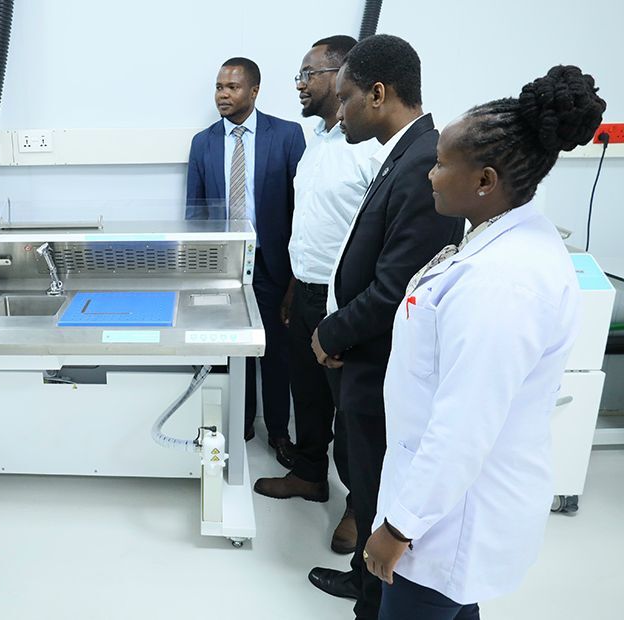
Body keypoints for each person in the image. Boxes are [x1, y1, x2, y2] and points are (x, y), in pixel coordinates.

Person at [364, 65, 604, 620]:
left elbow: (463, 425)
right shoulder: (500, 242)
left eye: (443, 163)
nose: (431, 174)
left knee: (430, 602)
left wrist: (399, 527)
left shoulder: (502, 283)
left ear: (485, 181)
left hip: (443, 522)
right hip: (441, 503)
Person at [305, 35, 464, 620]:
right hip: (366, 354)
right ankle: (362, 583)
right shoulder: (404, 153)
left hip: (380, 365)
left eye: (345, 99)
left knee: (377, 492)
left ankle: (372, 606)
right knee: (367, 486)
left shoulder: (425, 163)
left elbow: (396, 288)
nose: (338, 111)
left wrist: (332, 333)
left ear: (378, 93)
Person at [252, 35, 378, 557]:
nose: (300, 84)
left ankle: (356, 503)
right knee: (306, 389)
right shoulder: (318, 142)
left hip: (344, 299)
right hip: (302, 289)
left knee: (348, 407)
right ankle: (308, 474)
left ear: (342, 75)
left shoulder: (370, 150)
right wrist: (290, 286)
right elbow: (309, 223)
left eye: (309, 74)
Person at [185, 57, 306, 465]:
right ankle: (242, 423)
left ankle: (277, 431)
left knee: (275, 352)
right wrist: (199, 271)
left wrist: (295, 275)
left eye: (232, 87)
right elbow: (196, 212)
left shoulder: (287, 136)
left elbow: (302, 208)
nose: (222, 94)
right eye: (219, 86)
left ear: (254, 91)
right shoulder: (203, 143)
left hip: (274, 264)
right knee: (235, 349)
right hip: (225, 267)